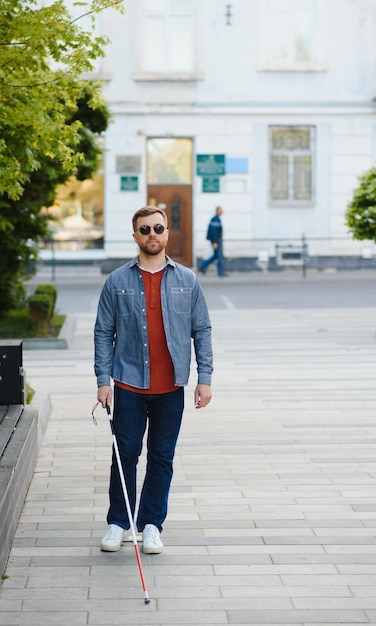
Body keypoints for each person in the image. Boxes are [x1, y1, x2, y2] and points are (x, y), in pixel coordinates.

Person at [94, 206, 213, 554]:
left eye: (158, 228)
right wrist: (104, 380)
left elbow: (202, 330)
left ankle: (150, 525)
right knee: (124, 456)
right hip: (128, 384)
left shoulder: (187, 280)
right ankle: (119, 522)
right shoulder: (116, 281)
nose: (152, 234)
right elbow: (103, 333)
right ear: (135, 236)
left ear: (166, 234)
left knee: (162, 458)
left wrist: (204, 379)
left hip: (170, 388)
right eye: (144, 229)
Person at [198, 206, 228, 277]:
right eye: (221, 210)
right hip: (217, 241)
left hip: (217, 241)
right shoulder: (215, 219)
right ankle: (220, 272)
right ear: (217, 211)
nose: (222, 212)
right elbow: (214, 232)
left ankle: (202, 266)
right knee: (219, 256)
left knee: (215, 256)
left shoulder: (216, 219)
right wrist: (215, 242)